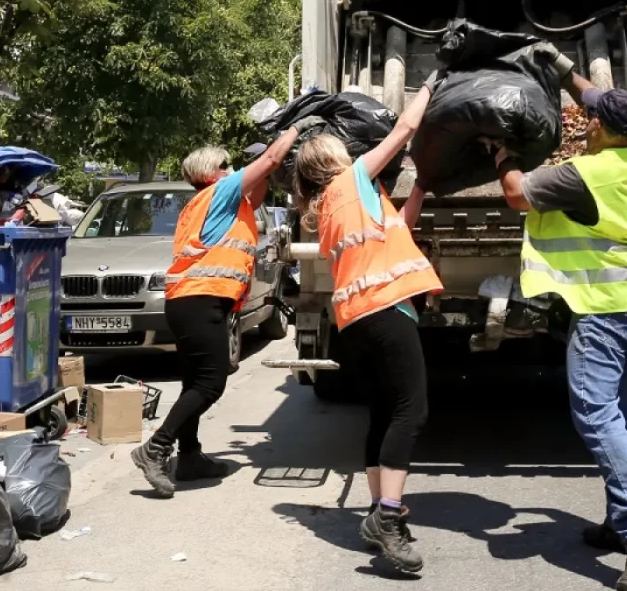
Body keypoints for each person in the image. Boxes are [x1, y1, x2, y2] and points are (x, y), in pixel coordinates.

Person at [491, 58, 627, 591]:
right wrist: (564, 68)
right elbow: (597, 97)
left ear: (597, 127)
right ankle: (622, 523)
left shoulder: (586, 175)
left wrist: (504, 155)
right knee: (625, 420)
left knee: (597, 419)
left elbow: (515, 195)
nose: (586, 116)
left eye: (591, 115)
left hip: (602, 314)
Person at [290, 74, 442, 575]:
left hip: (356, 319)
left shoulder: (338, 203)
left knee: (383, 413)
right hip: (382, 309)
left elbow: (398, 228)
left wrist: (420, 185)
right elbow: (402, 131)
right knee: (410, 411)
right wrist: (429, 87)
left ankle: (381, 510)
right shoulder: (351, 180)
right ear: (335, 160)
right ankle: (389, 515)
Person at [132, 126, 310, 497]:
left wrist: (275, 162)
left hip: (192, 302)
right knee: (210, 383)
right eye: (227, 165)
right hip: (200, 300)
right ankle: (155, 448)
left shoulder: (225, 202)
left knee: (192, 382)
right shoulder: (218, 192)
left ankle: (191, 457)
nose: (233, 169)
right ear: (211, 173)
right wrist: (295, 128)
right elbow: (270, 161)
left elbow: (263, 179)